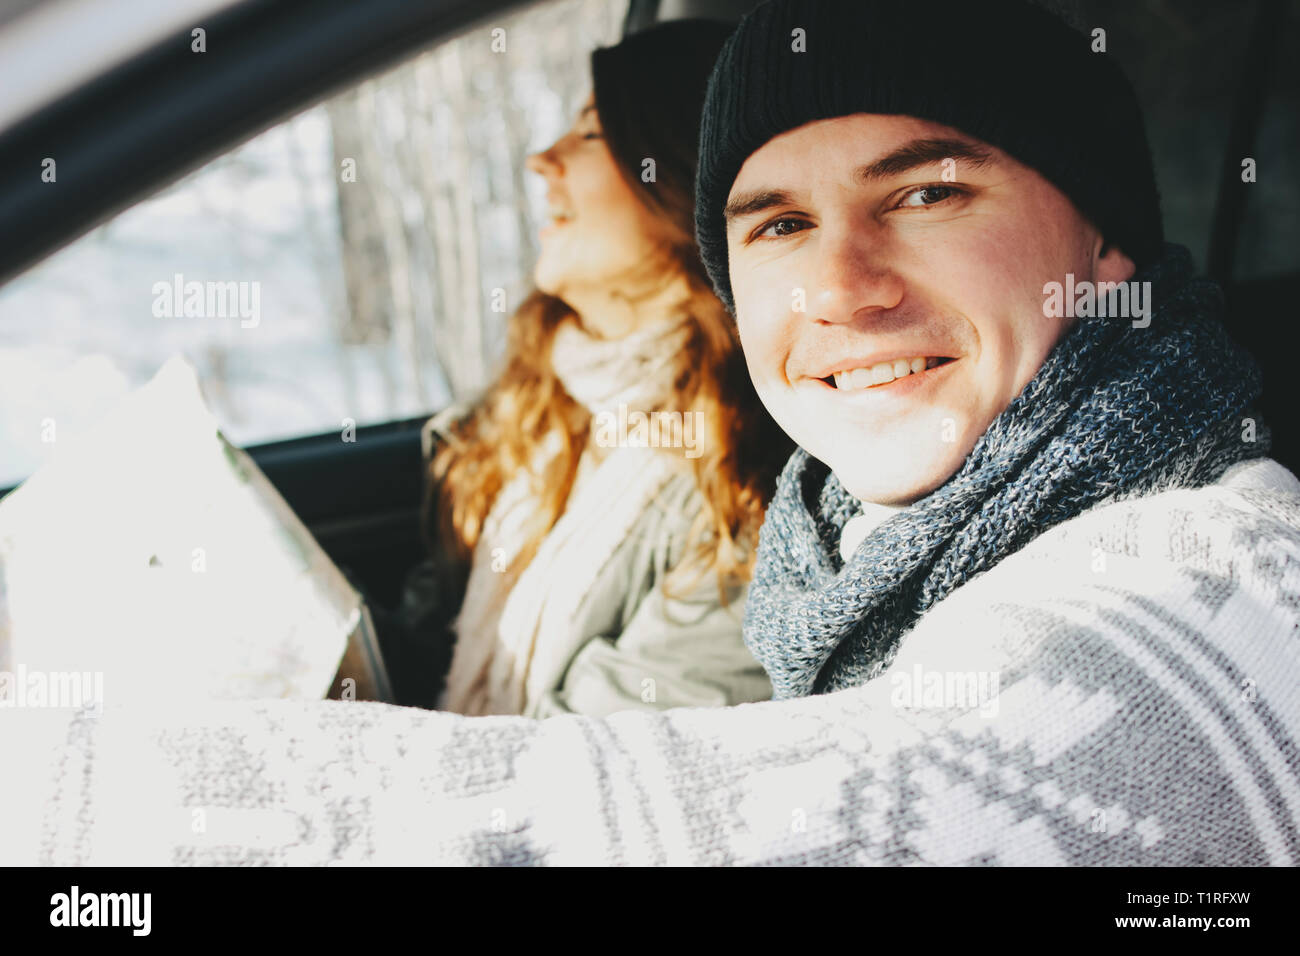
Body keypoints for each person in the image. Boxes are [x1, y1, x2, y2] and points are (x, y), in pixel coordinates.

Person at [12, 1, 1300, 868]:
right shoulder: (854, 553)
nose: (844, 287)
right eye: (778, 224)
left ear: (1108, 245)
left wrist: (76, 784)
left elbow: (690, 822)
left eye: (927, 192)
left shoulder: (1208, 587)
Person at [379, 19, 792, 718]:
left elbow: (582, 769)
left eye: (593, 134)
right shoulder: (542, 414)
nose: (543, 159)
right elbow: (441, 659)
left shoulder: (745, 487)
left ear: (684, 179)